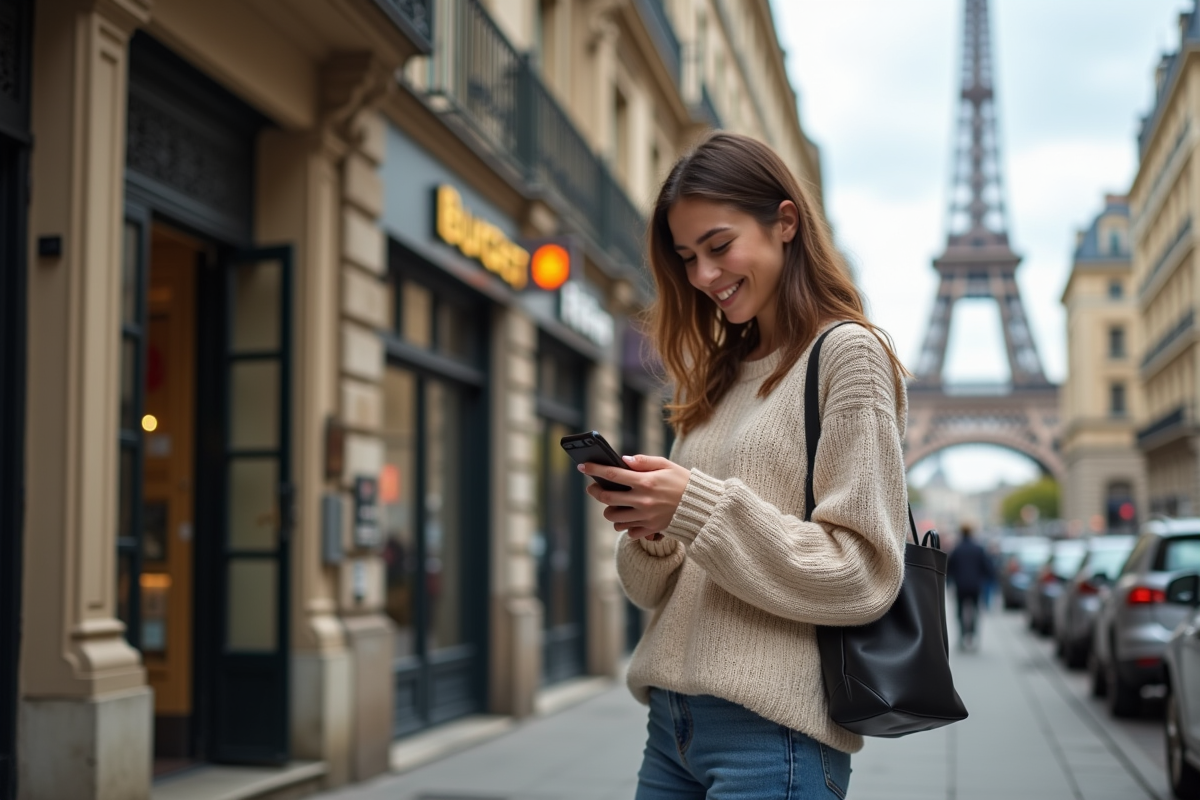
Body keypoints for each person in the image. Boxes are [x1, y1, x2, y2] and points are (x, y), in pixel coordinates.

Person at [575, 132, 911, 800]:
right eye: (686, 257)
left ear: (785, 223)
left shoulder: (848, 355)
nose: (702, 275)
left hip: (773, 736)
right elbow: (651, 590)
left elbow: (864, 572)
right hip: (672, 724)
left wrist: (694, 506)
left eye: (719, 246)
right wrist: (651, 526)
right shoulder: (718, 375)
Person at [947, 523, 994, 650]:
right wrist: (987, 579)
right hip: (975, 586)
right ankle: (973, 634)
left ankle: (962, 636)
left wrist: (948, 583)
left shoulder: (957, 549)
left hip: (960, 586)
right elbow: (987, 567)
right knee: (976, 610)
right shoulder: (978, 549)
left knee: (960, 611)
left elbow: (949, 568)